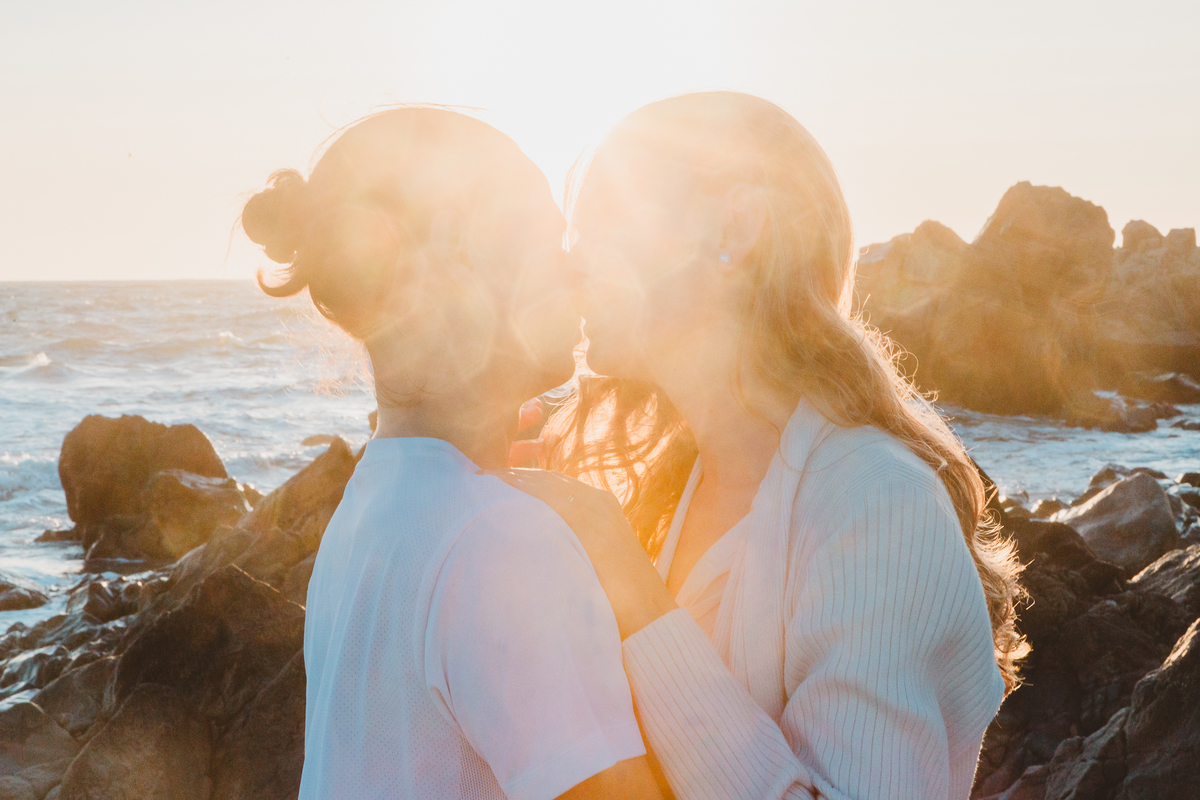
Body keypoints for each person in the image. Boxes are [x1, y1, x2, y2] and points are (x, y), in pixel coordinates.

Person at [493, 92, 1029, 800]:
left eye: (607, 219)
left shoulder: (878, 502)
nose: (575, 263)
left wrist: (628, 586)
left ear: (737, 228)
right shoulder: (668, 493)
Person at [241, 107, 667, 800]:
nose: (575, 265)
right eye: (543, 233)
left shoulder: (369, 508)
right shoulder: (500, 542)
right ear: (458, 251)